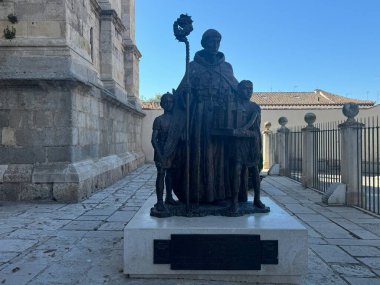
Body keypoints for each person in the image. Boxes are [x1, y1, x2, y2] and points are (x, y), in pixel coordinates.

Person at [172, 29, 239, 205]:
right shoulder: (193, 66)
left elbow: (238, 91)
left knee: (220, 156)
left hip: (220, 118)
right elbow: (180, 95)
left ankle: (219, 195)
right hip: (199, 118)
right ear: (203, 43)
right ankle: (196, 195)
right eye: (211, 41)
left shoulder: (226, 67)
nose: (215, 45)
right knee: (198, 154)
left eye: (218, 41)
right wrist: (185, 94)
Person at [229, 80, 267, 212]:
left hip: (252, 142)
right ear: (239, 90)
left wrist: (243, 130)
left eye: (251, 88)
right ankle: (234, 202)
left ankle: (257, 199)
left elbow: (255, 125)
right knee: (237, 170)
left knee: (255, 171)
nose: (249, 91)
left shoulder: (255, 107)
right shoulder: (234, 106)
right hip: (239, 143)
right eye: (246, 88)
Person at [151, 92, 180, 214]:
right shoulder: (158, 120)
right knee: (161, 175)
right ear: (162, 104)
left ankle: (169, 197)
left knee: (170, 175)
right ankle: (159, 201)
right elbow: (153, 140)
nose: (168, 104)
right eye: (166, 102)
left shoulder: (176, 120)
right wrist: (160, 154)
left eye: (171, 102)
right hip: (161, 151)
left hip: (173, 151)